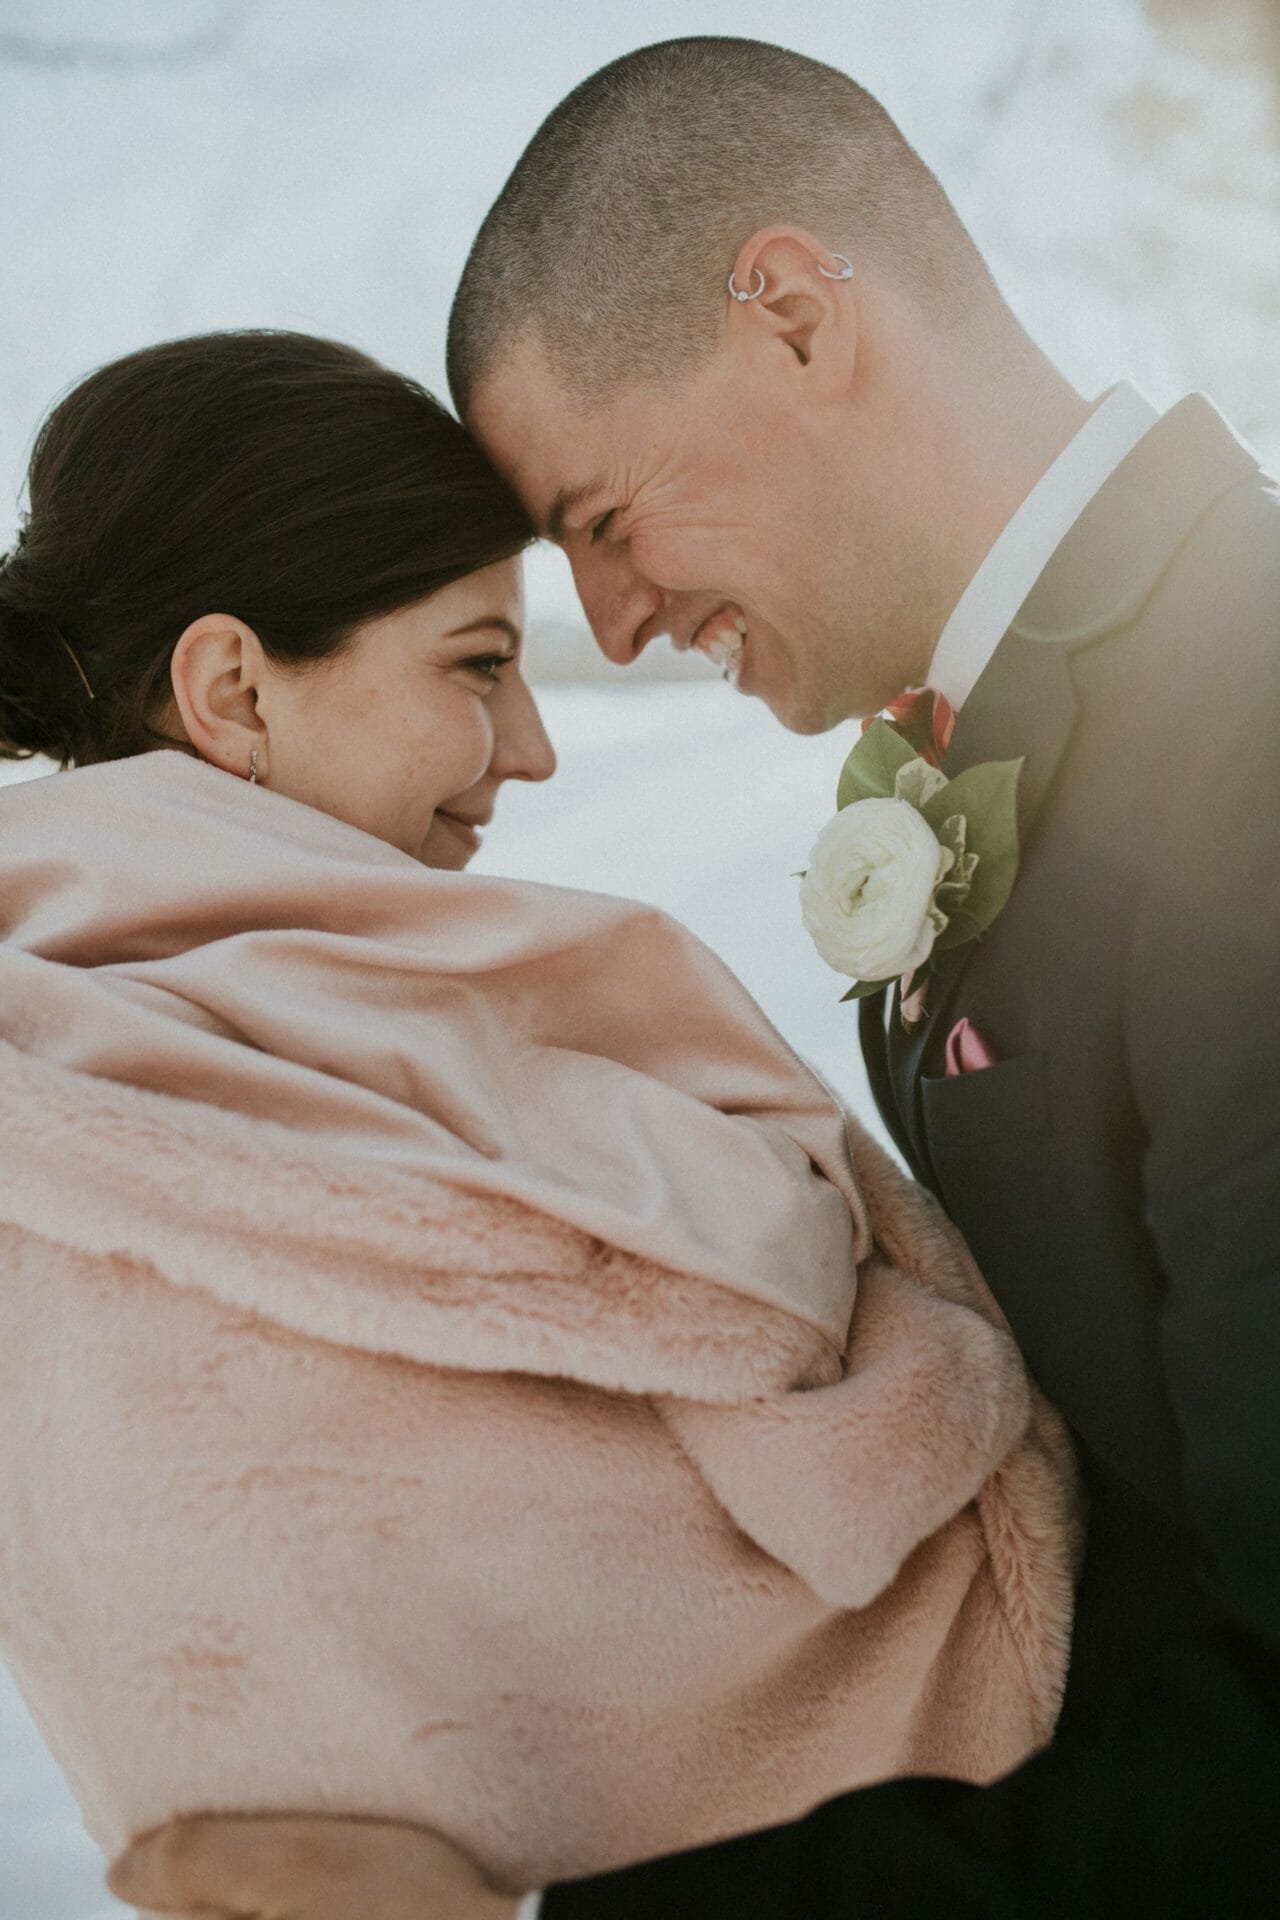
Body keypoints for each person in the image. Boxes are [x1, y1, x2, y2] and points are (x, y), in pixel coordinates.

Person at [114, 33, 1280, 1920]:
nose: (618, 627)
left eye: (595, 520)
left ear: (800, 319)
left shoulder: (1250, 738)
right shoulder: (1086, 734)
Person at [0, 332, 1079, 1907]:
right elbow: (800, 1442)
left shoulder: (101, 1069)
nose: (536, 748)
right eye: (476, 666)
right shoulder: (178, 1114)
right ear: (233, 689)